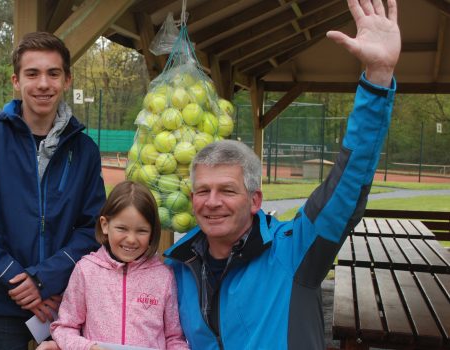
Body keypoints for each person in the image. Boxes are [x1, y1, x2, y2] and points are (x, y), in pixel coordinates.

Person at [164, 0, 400, 348]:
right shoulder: (177, 264)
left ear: (255, 199)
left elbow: (346, 186)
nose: (212, 202)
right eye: (202, 191)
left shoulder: (294, 251)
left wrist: (378, 78)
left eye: (227, 191)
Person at [0, 31, 106, 349]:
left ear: (67, 80)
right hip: (2, 301)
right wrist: (17, 279)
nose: (43, 84)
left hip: (61, 301)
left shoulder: (85, 150)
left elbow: (92, 227)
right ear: (16, 80)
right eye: (32, 73)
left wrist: (44, 279)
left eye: (53, 73)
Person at [38, 181, 188, 350]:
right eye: (122, 228)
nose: (131, 239)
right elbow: (64, 328)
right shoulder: (86, 271)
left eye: (141, 231)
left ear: (152, 232)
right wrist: (88, 347)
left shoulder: (164, 277)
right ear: (105, 225)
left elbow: (174, 338)